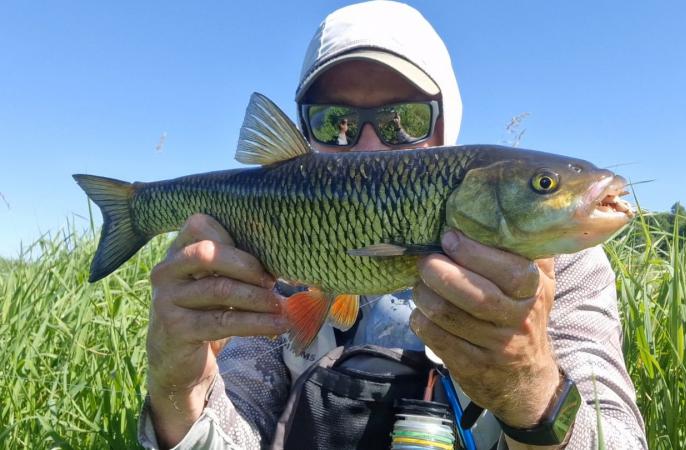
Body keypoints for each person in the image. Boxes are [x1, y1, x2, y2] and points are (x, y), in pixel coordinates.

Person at [138, 1, 647, 449]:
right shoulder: (269, 262)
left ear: (446, 128)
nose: (368, 146)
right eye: (333, 122)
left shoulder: (562, 264)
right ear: (303, 130)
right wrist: (179, 389)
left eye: (405, 121)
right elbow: (241, 432)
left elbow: (619, 436)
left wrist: (533, 392)